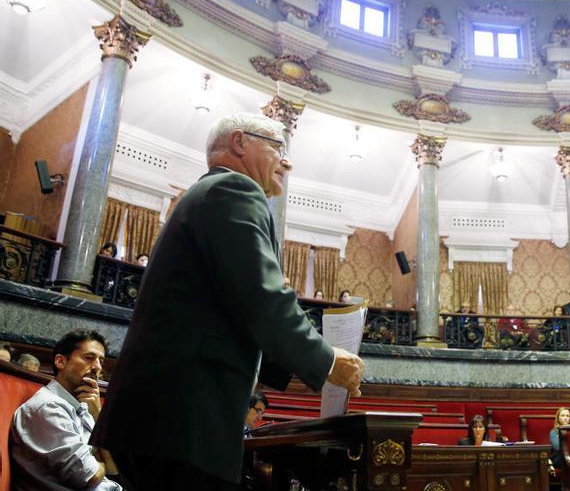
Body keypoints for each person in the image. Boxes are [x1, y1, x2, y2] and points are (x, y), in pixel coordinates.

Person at [90, 113, 365, 491]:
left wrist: (296, 362)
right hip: (183, 418)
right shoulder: (234, 190)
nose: (288, 162)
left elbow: (234, 310)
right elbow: (262, 298)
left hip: (165, 418)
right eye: (278, 148)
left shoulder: (209, 194)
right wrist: (327, 361)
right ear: (240, 143)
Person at [11, 330, 123, 490]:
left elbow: (114, 469)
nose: (97, 367)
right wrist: (100, 460)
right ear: (60, 362)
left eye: (101, 360)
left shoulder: (85, 405)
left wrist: (98, 417)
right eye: (89, 357)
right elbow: (88, 476)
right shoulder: (48, 407)